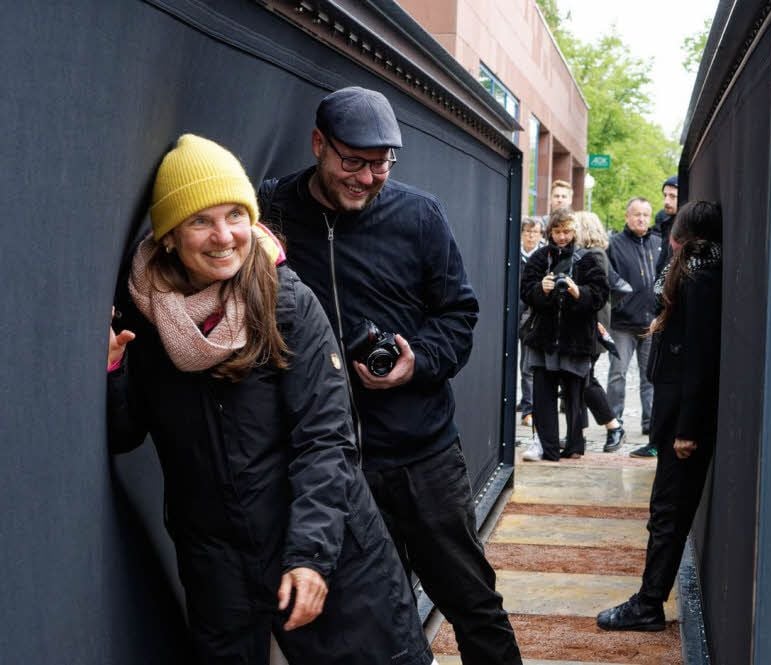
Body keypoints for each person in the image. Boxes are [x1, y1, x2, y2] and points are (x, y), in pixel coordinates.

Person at [106, 134, 432, 664]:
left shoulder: (288, 303)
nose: (223, 236)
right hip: (220, 572)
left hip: (326, 556)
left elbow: (326, 441)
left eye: (235, 214)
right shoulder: (146, 314)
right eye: (200, 221)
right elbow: (126, 434)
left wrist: (310, 558)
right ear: (168, 237)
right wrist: (115, 370)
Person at [258, 87, 522, 664]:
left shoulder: (419, 214)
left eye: (381, 163)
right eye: (353, 161)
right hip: (331, 467)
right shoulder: (272, 210)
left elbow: (460, 314)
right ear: (319, 144)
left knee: (472, 600)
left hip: (420, 453)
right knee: (382, 619)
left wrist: (415, 362)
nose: (367, 177)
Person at [596, 200, 724, 632]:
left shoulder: (700, 277)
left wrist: (687, 429)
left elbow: (700, 357)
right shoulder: (689, 270)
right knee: (664, 509)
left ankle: (649, 603)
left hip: (685, 420)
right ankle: (648, 599)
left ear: (682, 236)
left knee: (667, 510)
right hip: (675, 414)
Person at [519, 208, 610, 461]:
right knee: (543, 395)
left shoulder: (588, 259)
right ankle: (547, 448)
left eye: (567, 231)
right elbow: (526, 292)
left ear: (574, 232)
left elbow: (601, 294)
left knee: (574, 396)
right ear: (550, 232)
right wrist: (542, 289)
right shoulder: (539, 258)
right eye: (557, 231)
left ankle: (574, 445)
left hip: (576, 340)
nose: (561, 237)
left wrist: (578, 292)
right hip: (544, 339)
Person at [606, 197, 662, 457]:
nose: (641, 219)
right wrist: (620, 305)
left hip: (651, 322)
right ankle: (614, 421)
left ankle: (650, 421)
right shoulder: (614, 245)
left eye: (645, 214)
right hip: (622, 324)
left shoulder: (657, 243)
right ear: (627, 216)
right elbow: (609, 279)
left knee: (650, 376)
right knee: (617, 374)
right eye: (636, 214)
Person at [574, 210, 628, 452]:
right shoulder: (595, 254)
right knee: (579, 380)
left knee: (585, 379)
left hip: (591, 327)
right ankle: (579, 434)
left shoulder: (594, 255)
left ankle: (613, 425)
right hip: (591, 326)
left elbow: (594, 294)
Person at [517, 217, 545, 427]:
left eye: (534, 232)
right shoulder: (513, 253)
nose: (530, 236)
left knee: (528, 366)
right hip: (512, 315)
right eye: (527, 232)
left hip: (531, 317)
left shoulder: (542, 258)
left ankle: (529, 408)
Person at [652, 175, 678, 275]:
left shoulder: (689, 227)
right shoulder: (666, 224)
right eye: (665, 195)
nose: (666, 201)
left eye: (672, 196)